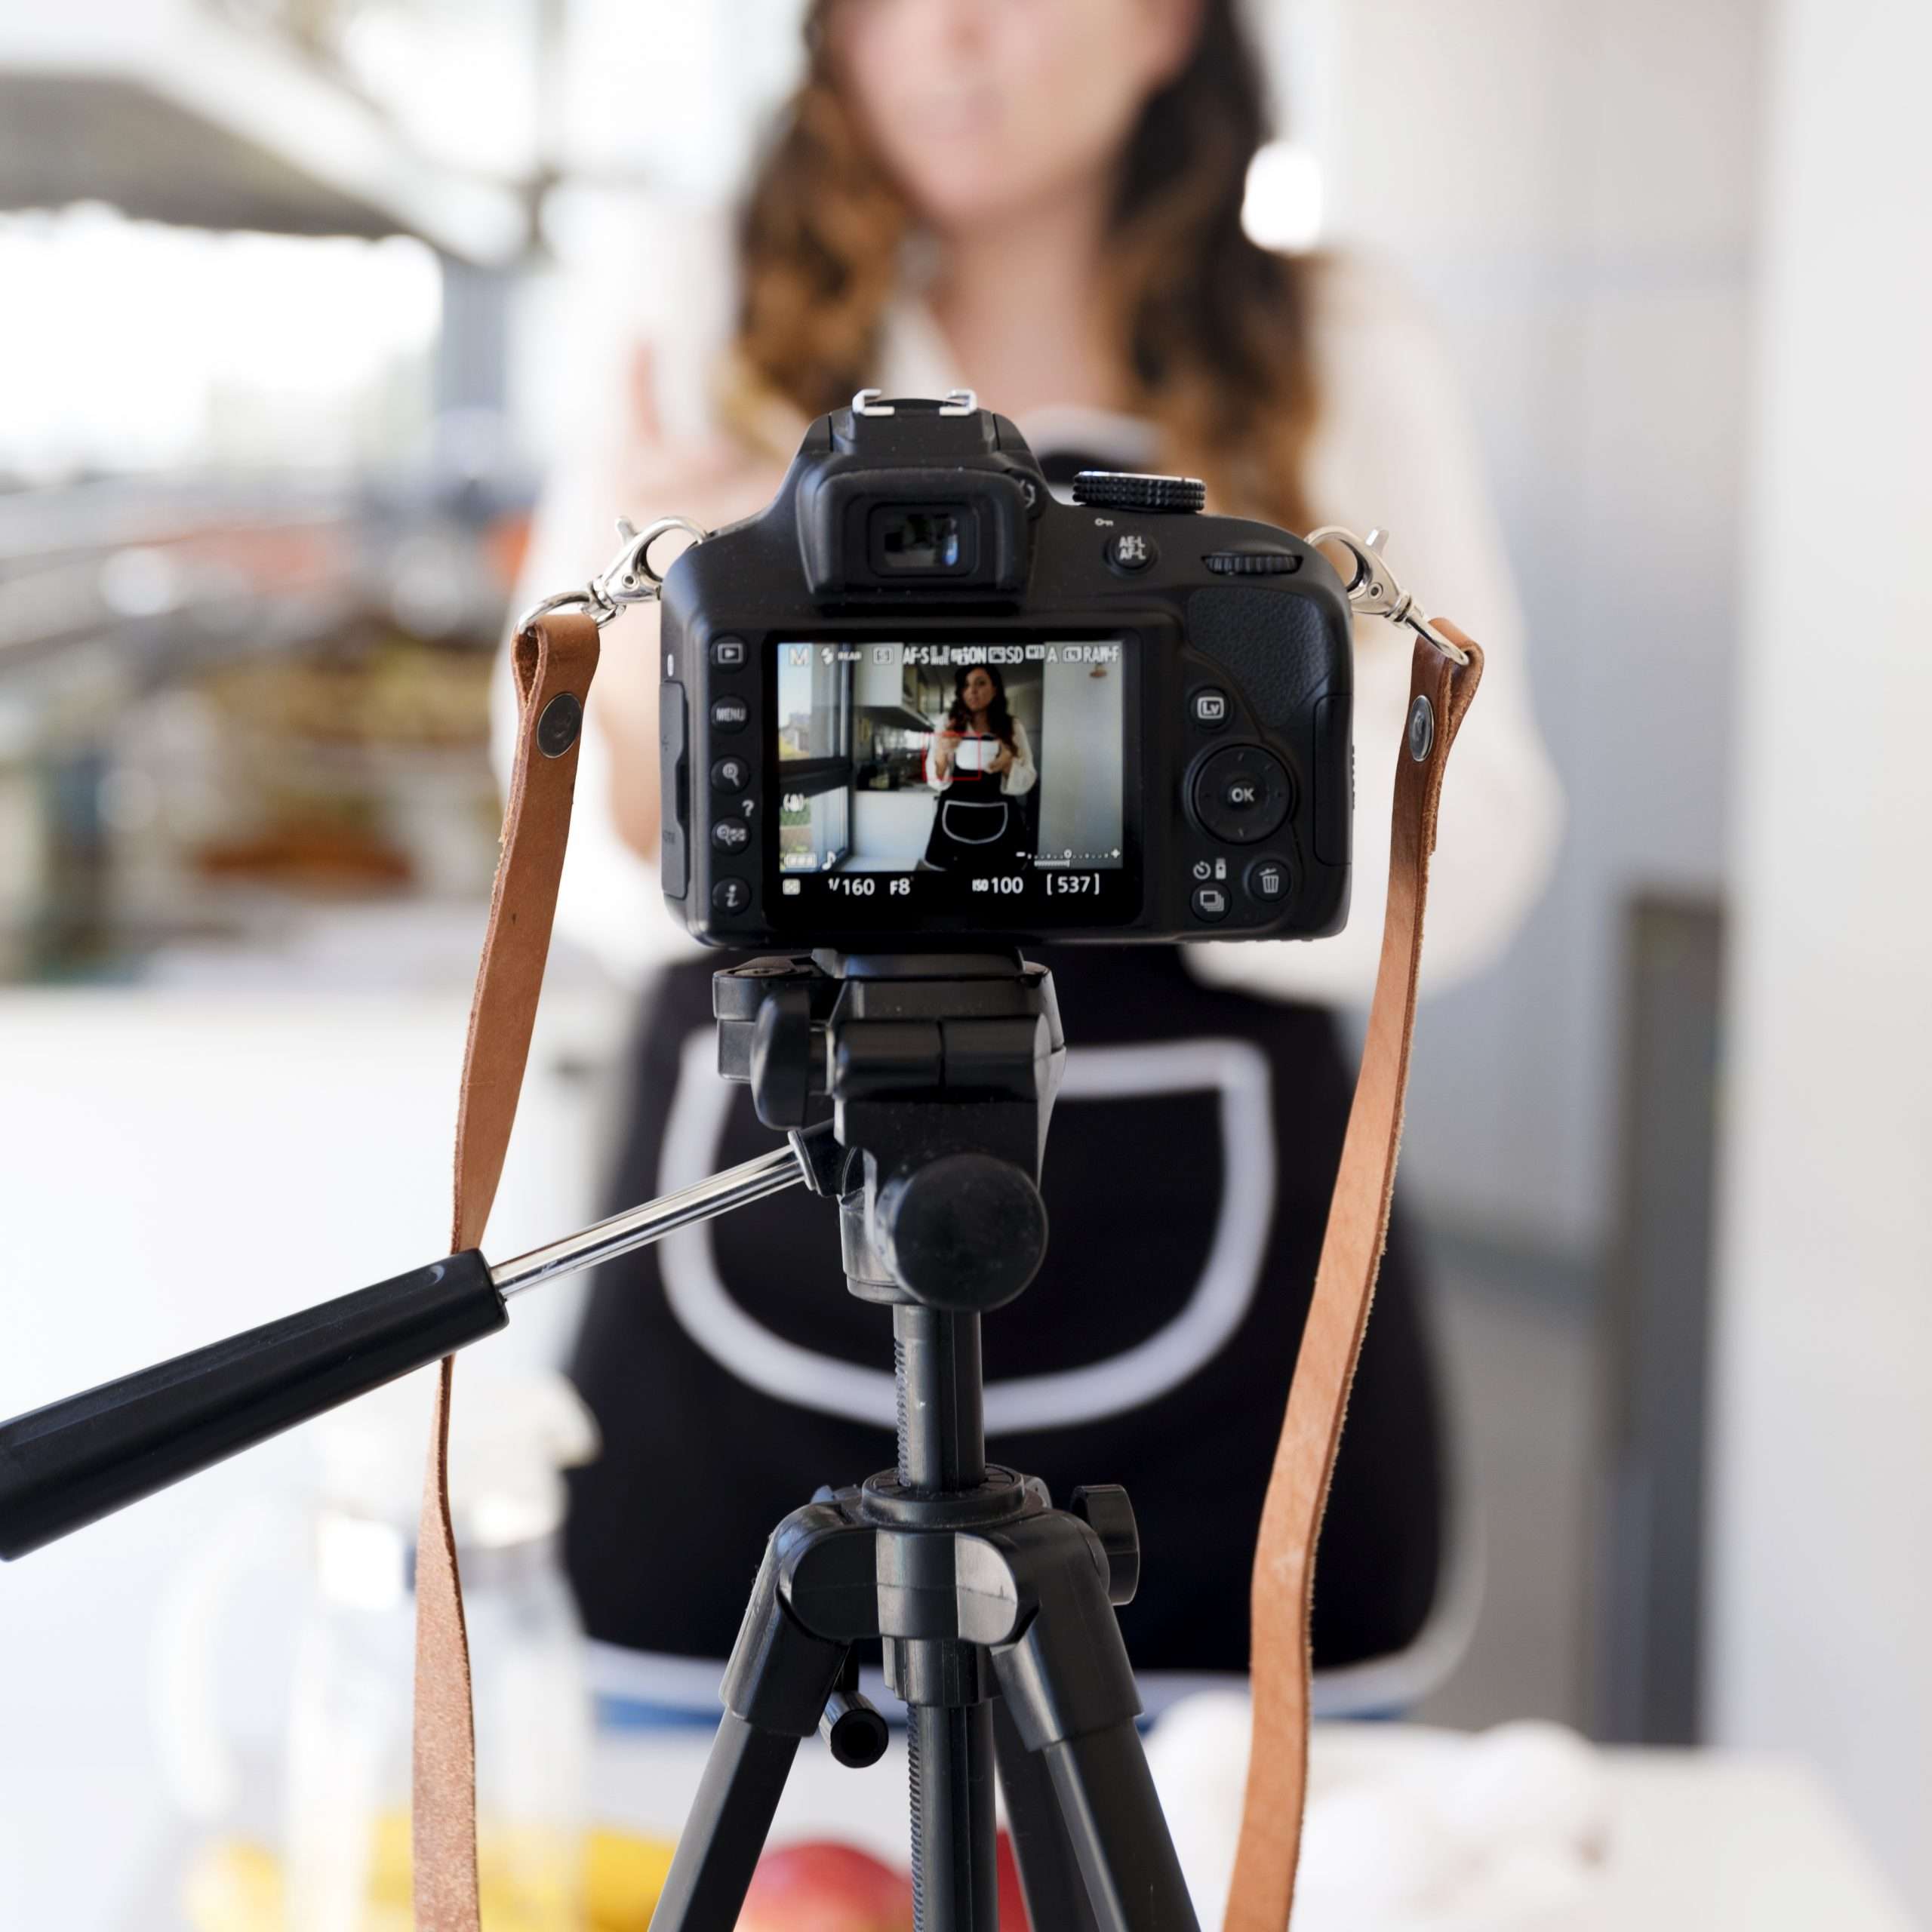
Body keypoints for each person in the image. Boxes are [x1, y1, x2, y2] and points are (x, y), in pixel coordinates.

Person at [508, 0, 1561, 1703]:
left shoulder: (1332, 340)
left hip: (1218, 1294)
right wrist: (668, 654)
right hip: (756, 1260)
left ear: (1166, 26)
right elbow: (569, 859)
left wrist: (1196, 732)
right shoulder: (699, 300)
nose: (946, 38)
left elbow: (1482, 846)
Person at [923, 663, 1038, 870]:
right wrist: (942, 752)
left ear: (995, 689)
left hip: (1001, 821)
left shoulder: (1012, 726)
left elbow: (1029, 778)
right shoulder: (947, 723)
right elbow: (934, 780)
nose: (972, 691)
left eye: (980, 683)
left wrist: (1007, 764)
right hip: (954, 819)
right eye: (966, 685)